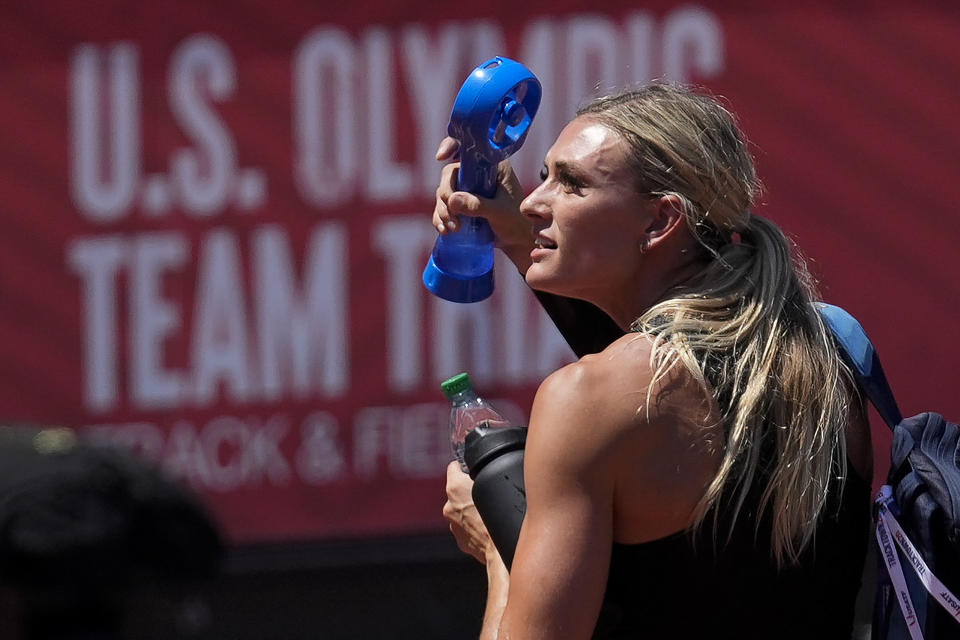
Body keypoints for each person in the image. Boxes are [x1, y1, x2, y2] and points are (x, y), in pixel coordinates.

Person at [434, 82, 873, 639]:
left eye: (571, 184)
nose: (532, 201)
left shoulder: (588, 400)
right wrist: (524, 239)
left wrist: (501, 554)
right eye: (544, 175)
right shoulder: (822, 353)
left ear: (661, 222)